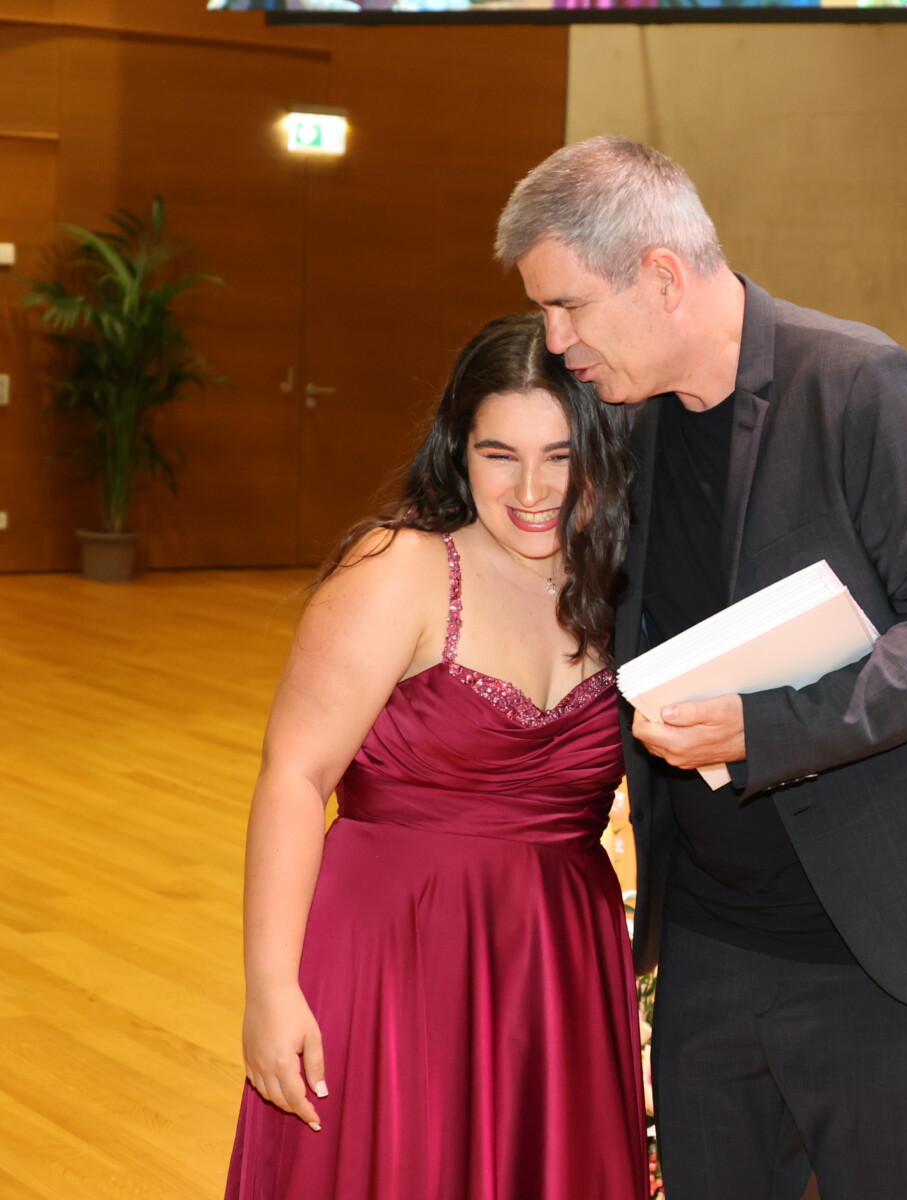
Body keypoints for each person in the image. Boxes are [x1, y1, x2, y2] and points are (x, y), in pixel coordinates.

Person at [494, 136, 907, 1200]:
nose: (556, 341)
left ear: (662, 277)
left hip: (888, 941)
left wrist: (767, 727)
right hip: (712, 939)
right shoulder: (626, 420)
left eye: (568, 307)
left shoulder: (859, 385)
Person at [226, 312, 648, 1199]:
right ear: (459, 451)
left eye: (561, 455)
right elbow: (296, 776)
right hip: (392, 950)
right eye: (499, 454)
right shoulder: (402, 570)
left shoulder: (623, 586)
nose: (530, 488)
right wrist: (270, 988)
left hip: (556, 961)